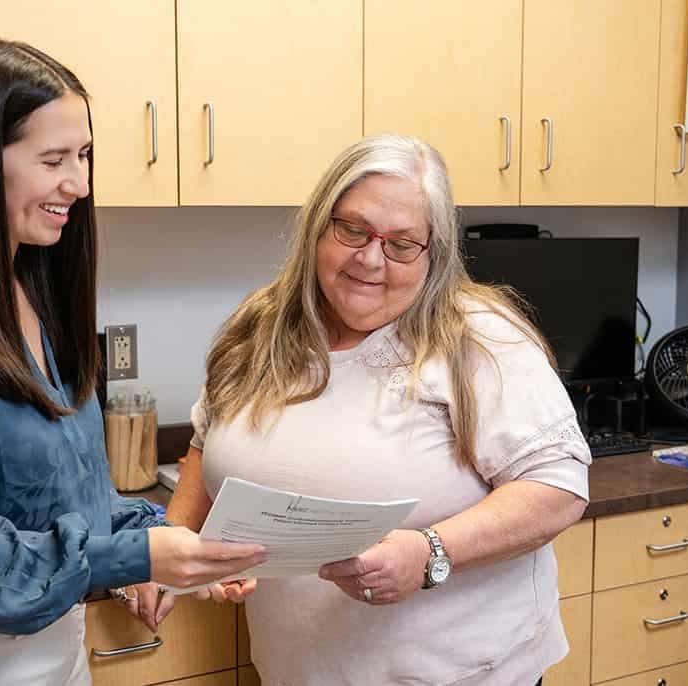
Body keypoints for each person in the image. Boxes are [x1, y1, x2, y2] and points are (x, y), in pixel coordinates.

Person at [0, 36, 264, 686]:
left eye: (85, 154)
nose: (81, 184)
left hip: (52, 655)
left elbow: (70, 494)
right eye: (54, 159)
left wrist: (175, 550)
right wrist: (128, 557)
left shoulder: (32, 287)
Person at [162, 134, 591, 686]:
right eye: (353, 229)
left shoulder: (480, 339)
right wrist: (177, 548)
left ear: (433, 254)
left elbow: (558, 486)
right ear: (320, 225)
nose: (369, 259)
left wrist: (430, 552)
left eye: (402, 243)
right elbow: (206, 440)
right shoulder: (261, 326)